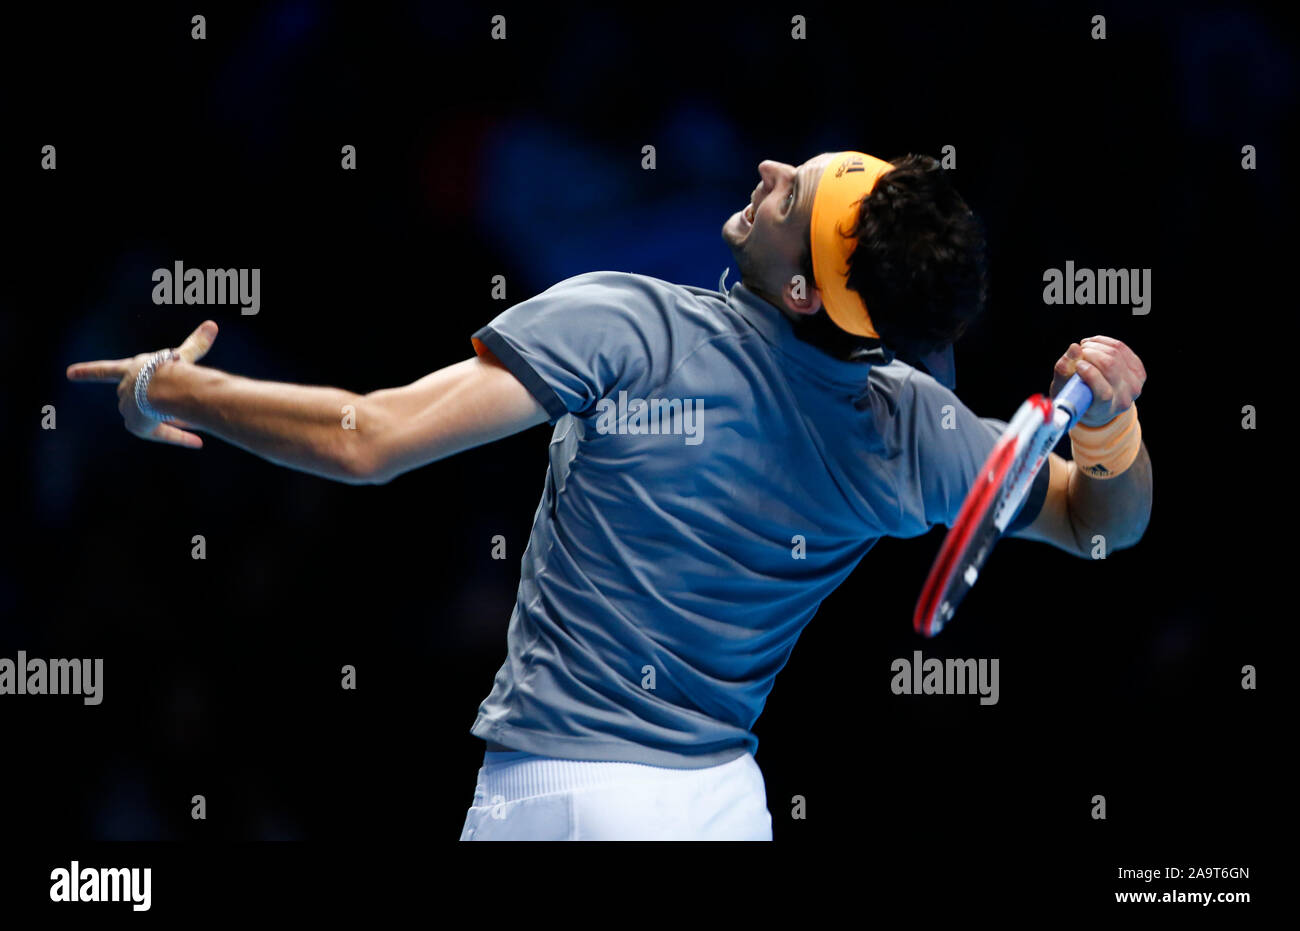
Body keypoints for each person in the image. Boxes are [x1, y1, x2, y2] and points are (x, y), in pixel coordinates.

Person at [68, 151, 1152, 840]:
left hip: (565, 797)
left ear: (798, 286)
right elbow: (1105, 524)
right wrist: (1112, 425)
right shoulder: (911, 427)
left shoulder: (633, 322)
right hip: (724, 806)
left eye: (795, 191)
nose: (769, 170)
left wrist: (175, 385)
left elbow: (372, 441)